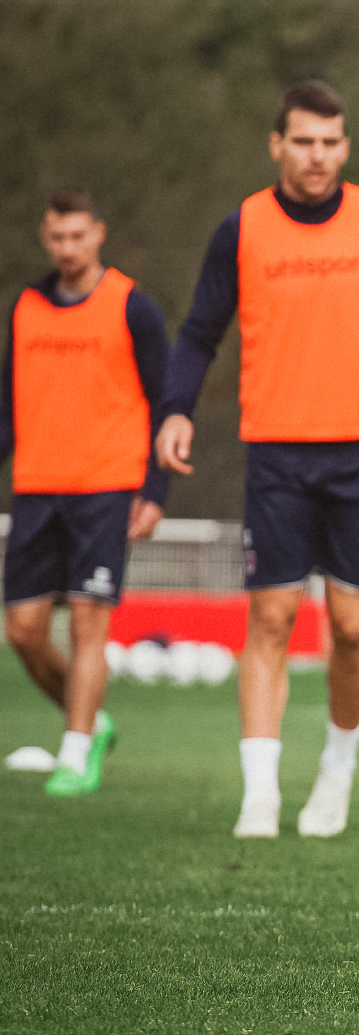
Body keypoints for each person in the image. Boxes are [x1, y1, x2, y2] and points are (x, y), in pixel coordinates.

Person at [156, 80, 359, 840]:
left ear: (346, 146)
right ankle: (258, 792)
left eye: (331, 142)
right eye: (303, 141)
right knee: (270, 616)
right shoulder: (242, 229)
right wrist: (175, 409)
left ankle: (336, 770)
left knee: (353, 629)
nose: (318, 156)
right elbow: (200, 330)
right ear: (277, 145)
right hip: (277, 450)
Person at [0, 190, 168, 796]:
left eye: (78, 236)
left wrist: (156, 490)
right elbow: (7, 405)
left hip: (107, 485)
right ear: (45, 239)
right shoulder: (24, 307)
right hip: (37, 486)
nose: (67, 249)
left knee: (90, 624)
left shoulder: (132, 306)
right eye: (56, 238)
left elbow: (163, 401)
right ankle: (91, 722)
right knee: (22, 629)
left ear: (99, 234)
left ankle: (74, 752)